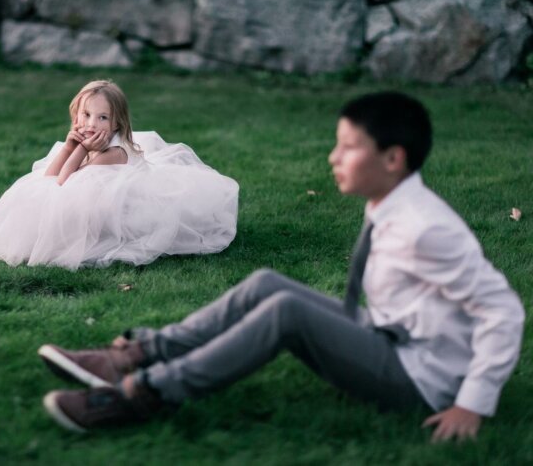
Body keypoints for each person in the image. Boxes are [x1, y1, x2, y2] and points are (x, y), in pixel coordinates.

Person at [38, 91, 525, 442]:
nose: (333, 157)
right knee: (266, 284)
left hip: (419, 378)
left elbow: (504, 310)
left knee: (287, 312)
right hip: (388, 334)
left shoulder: (426, 226)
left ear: (394, 158)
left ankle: (144, 393)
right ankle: (138, 354)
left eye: (349, 148)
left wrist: (472, 403)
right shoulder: (393, 203)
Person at [0, 80, 238, 270]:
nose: (92, 124)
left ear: (117, 123)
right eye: (87, 115)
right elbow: (49, 176)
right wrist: (69, 145)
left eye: (103, 118)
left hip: (129, 208)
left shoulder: (113, 152)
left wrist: (78, 148)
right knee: (34, 199)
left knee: (57, 209)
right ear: (76, 114)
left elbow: (63, 184)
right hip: (99, 193)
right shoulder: (88, 139)